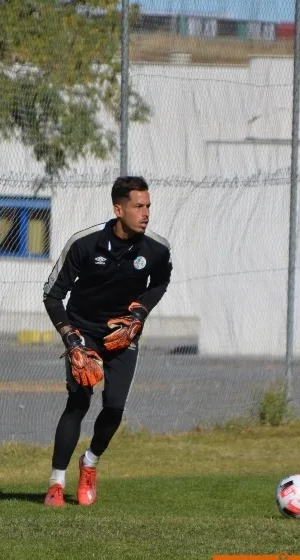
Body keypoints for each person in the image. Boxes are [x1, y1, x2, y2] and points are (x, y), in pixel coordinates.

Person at [41, 176, 172, 507]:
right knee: (79, 401)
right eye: (138, 206)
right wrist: (70, 337)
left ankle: (89, 463)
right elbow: (52, 295)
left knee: (114, 408)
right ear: (118, 209)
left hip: (122, 333)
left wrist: (139, 313)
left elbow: (160, 282)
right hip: (83, 329)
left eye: (148, 206)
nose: (146, 213)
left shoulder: (156, 249)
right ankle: (56, 482)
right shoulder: (84, 244)